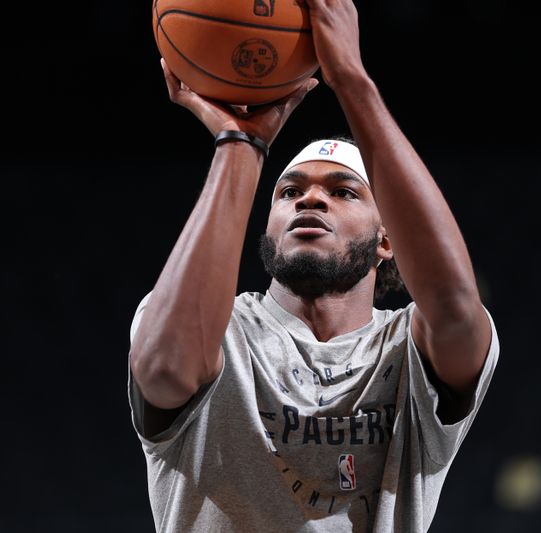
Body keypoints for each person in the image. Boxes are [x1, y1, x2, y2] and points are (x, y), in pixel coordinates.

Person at [127, 1, 499, 531]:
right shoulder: (215, 333)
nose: (310, 200)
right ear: (267, 223)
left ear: (387, 239)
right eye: (290, 191)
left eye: (343, 191)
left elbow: (458, 309)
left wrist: (351, 81)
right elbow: (165, 369)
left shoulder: (409, 349)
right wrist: (242, 142)